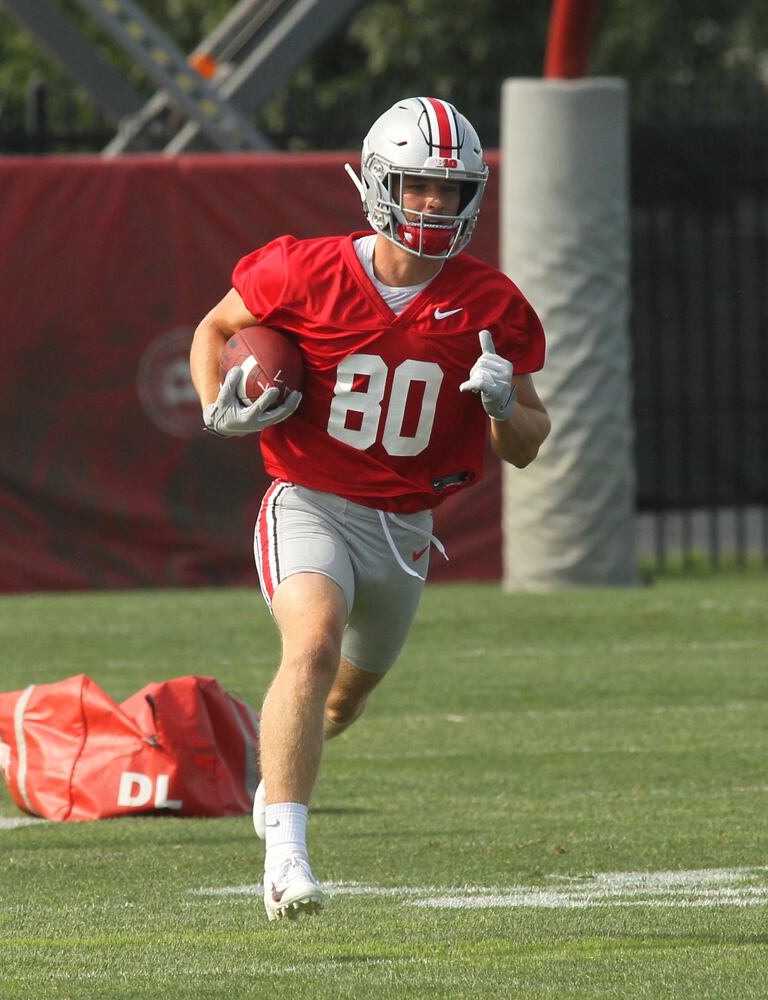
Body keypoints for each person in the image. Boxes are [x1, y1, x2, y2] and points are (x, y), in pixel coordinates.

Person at [190, 97, 551, 920]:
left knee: (342, 699)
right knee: (311, 642)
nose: (433, 204)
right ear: (380, 183)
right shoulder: (302, 270)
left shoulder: (491, 303)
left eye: (450, 190)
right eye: (418, 185)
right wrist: (219, 404)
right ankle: (286, 858)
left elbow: (528, 443)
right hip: (309, 498)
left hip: (407, 527)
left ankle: (274, 780)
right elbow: (217, 327)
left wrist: (503, 406)